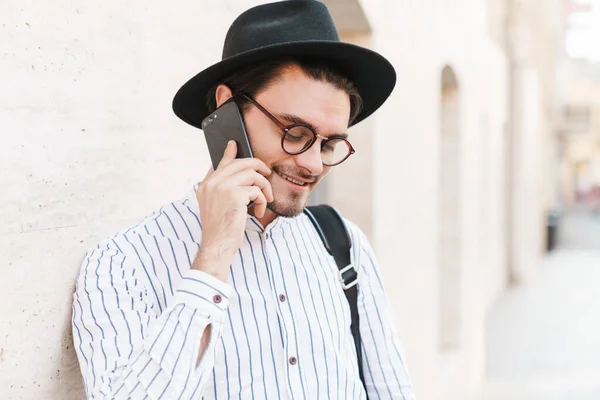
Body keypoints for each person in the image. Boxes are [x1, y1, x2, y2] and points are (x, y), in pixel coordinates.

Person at [72, 1, 415, 399]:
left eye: (330, 143)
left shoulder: (343, 244)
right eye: (295, 131)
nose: (311, 164)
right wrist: (213, 257)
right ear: (226, 107)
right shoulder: (121, 264)